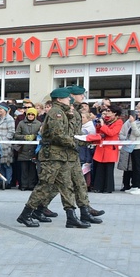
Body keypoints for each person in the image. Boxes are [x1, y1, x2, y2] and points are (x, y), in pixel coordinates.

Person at [17, 88, 90, 228]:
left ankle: (71, 217)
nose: (70, 99)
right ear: (59, 99)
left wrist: (82, 140)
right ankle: (25, 215)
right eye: (67, 98)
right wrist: (77, 142)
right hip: (52, 157)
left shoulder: (64, 112)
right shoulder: (56, 112)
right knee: (44, 185)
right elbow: (58, 135)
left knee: (66, 186)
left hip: (62, 156)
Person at [91, 107, 123, 194]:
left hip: (110, 147)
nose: (107, 113)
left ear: (115, 113)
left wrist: (103, 125)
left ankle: (108, 187)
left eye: (109, 111)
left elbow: (111, 133)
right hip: (101, 147)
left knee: (108, 168)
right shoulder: (105, 121)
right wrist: (98, 125)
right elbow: (99, 132)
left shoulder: (118, 122)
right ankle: (98, 187)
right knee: (99, 168)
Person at [13, 107, 41, 190]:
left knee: (32, 168)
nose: (30, 116)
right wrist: (25, 137)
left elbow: (40, 135)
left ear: (35, 115)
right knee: (23, 169)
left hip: (34, 149)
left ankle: (31, 185)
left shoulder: (39, 124)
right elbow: (16, 135)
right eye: (29, 114)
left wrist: (34, 137)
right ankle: (23, 185)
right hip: (23, 149)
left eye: (32, 114)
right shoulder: (21, 123)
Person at [0, 103, 15, 187]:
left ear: (5, 110)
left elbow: (11, 132)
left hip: (6, 145)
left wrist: (6, 140)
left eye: (0, 109)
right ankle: (0, 181)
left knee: (7, 164)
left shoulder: (9, 119)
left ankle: (8, 182)